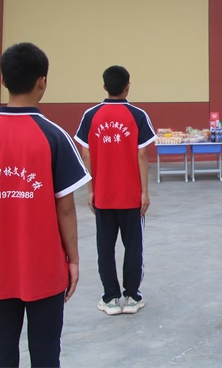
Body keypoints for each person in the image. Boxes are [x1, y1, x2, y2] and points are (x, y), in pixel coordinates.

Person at [0, 42, 89, 368]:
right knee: (46, 353)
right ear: (43, 81)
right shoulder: (54, 136)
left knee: (0, 355)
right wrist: (73, 260)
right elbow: (65, 209)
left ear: (3, 80)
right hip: (45, 270)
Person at [75, 66, 157, 316]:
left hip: (103, 196)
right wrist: (144, 192)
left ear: (104, 87)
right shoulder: (138, 115)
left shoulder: (91, 115)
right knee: (133, 247)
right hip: (131, 197)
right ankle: (132, 297)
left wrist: (91, 191)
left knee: (105, 247)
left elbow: (86, 154)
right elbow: (141, 155)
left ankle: (110, 298)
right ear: (128, 87)